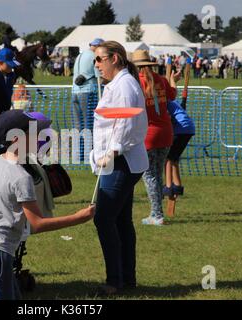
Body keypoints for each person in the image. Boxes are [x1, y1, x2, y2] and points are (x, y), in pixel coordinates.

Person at [0, 109, 95, 300]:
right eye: (33, 133)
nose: (39, 137)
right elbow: (37, 223)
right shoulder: (22, 177)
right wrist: (79, 218)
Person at [89, 41, 148, 295]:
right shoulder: (119, 83)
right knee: (121, 221)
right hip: (124, 159)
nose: (96, 65)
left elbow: (124, 122)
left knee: (104, 219)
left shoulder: (124, 85)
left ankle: (115, 281)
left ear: (114, 58)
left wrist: (112, 152)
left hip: (121, 161)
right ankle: (126, 279)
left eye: (99, 59)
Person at [132, 49, 180, 226]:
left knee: (150, 176)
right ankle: (156, 212)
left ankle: (157, 215)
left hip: (149, 135)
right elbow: (172, 95)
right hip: (166, 132)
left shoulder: (136, 83)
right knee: (157, 175)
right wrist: (173, 80)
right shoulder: (160, 79)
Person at [72, 38, 104, 162]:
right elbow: (99, 76)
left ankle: (77, 154)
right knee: (88, 123)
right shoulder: (95, 56)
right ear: (98, 47)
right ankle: (88, 154)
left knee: (77, 125)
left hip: (74, 92)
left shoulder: (80, 55)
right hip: (88, 91)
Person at [163, 100, 195, 200]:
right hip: (189, 128)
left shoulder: (164, 102)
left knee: (168, 159)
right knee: (174, 159)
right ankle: (177, 185)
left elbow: (168, 117)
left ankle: (168, 187)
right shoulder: (172, 101)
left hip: (181, 129)